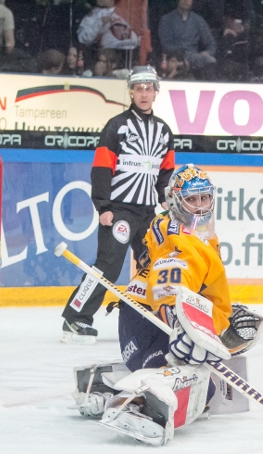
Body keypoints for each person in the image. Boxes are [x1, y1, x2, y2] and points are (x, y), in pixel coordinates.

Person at [71, 165, 263, 445]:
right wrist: (180, 322)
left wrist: (216, 322)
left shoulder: (200, 232)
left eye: (204, 198)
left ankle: (104, 383)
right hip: (150, 323)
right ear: (175, 200)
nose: (199, 206)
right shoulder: (178, 235)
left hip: (150, 322)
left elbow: (196, 285)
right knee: (204, 386)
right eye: (191, 199)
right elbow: (170, 275)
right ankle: (142, 406)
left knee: (193, 371)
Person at [60, 66, 175, 344]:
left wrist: (166, 204)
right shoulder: (116, 126)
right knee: (108, 266)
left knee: (156, 265)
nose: (144, 94)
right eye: (139, 88)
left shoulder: (163, 131)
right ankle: (75, 318)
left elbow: (165, 172)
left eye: (149, 88)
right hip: (120, 210)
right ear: (131, 92)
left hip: (148, 214)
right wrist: (104, 206)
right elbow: (101, 167)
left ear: (156, 92)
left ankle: (156, 318)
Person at [158, 0, 217, 79]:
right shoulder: (166, 19)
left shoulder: (199, 21)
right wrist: (180, 55)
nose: (185, 1)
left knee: (210, 60)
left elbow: (211, 43)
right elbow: (165, 44)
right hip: (174, 58)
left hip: (195, 58)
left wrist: (208, 52)